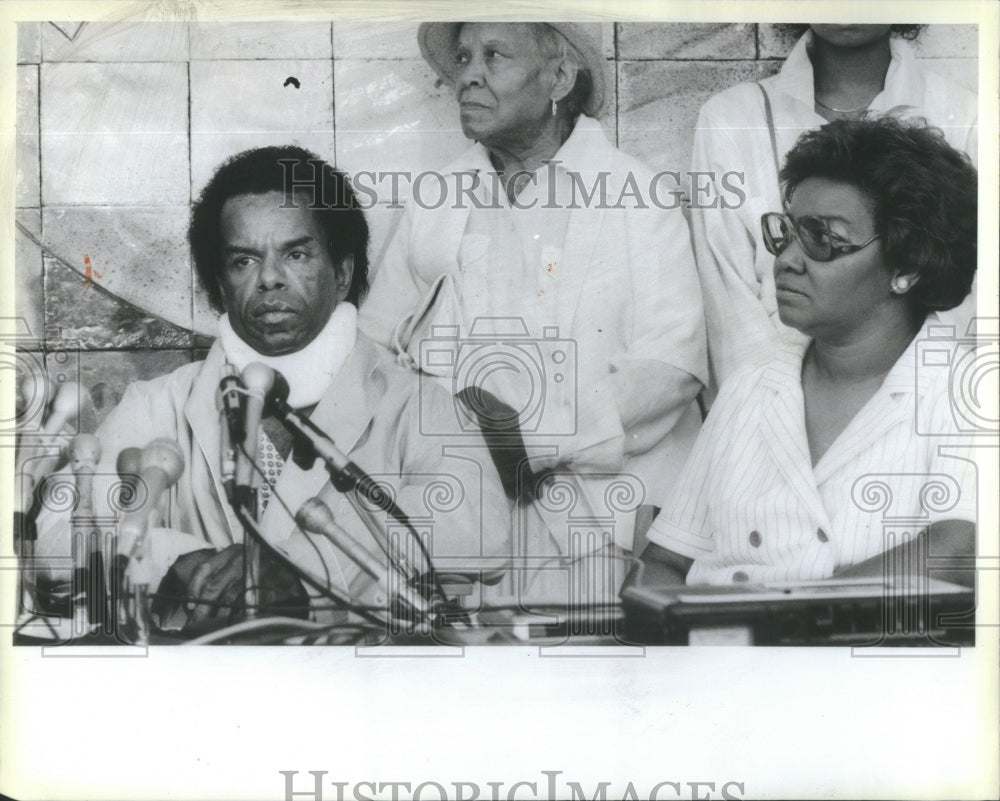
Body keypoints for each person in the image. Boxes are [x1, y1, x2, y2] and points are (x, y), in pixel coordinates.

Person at [33, 146, 511, 629]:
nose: (269, 280)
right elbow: (53, 543)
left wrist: (299, 569)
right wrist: (178, 564)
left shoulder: (415, 402)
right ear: (219, 286)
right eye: (244, 261)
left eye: (296, 254)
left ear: (342, 274)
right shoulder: (159, 404)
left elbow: (482, 532)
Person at [357, 23, 707, 605]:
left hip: (609, 533)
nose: (468, 74)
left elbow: (672, 369)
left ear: (560, 78)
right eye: (464, 57)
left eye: (494, 56)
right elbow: (376, 354)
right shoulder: (434, 200)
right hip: (459, 527)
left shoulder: (638, 196)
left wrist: (528, 439)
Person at [642, 117, 977, 587]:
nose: (786, 260)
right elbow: (665, 560)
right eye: (788, 232)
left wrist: (783, 613)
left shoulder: (968, 391)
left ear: (908, 265)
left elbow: (958, 554)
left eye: (824, 238)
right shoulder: (752, 386)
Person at [690, 24, 978, 396]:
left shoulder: (970, 115)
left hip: (924, 403)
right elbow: (729, 310)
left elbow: (972, 305)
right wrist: (778, 412)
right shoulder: (730, 117)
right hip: (769, 406)